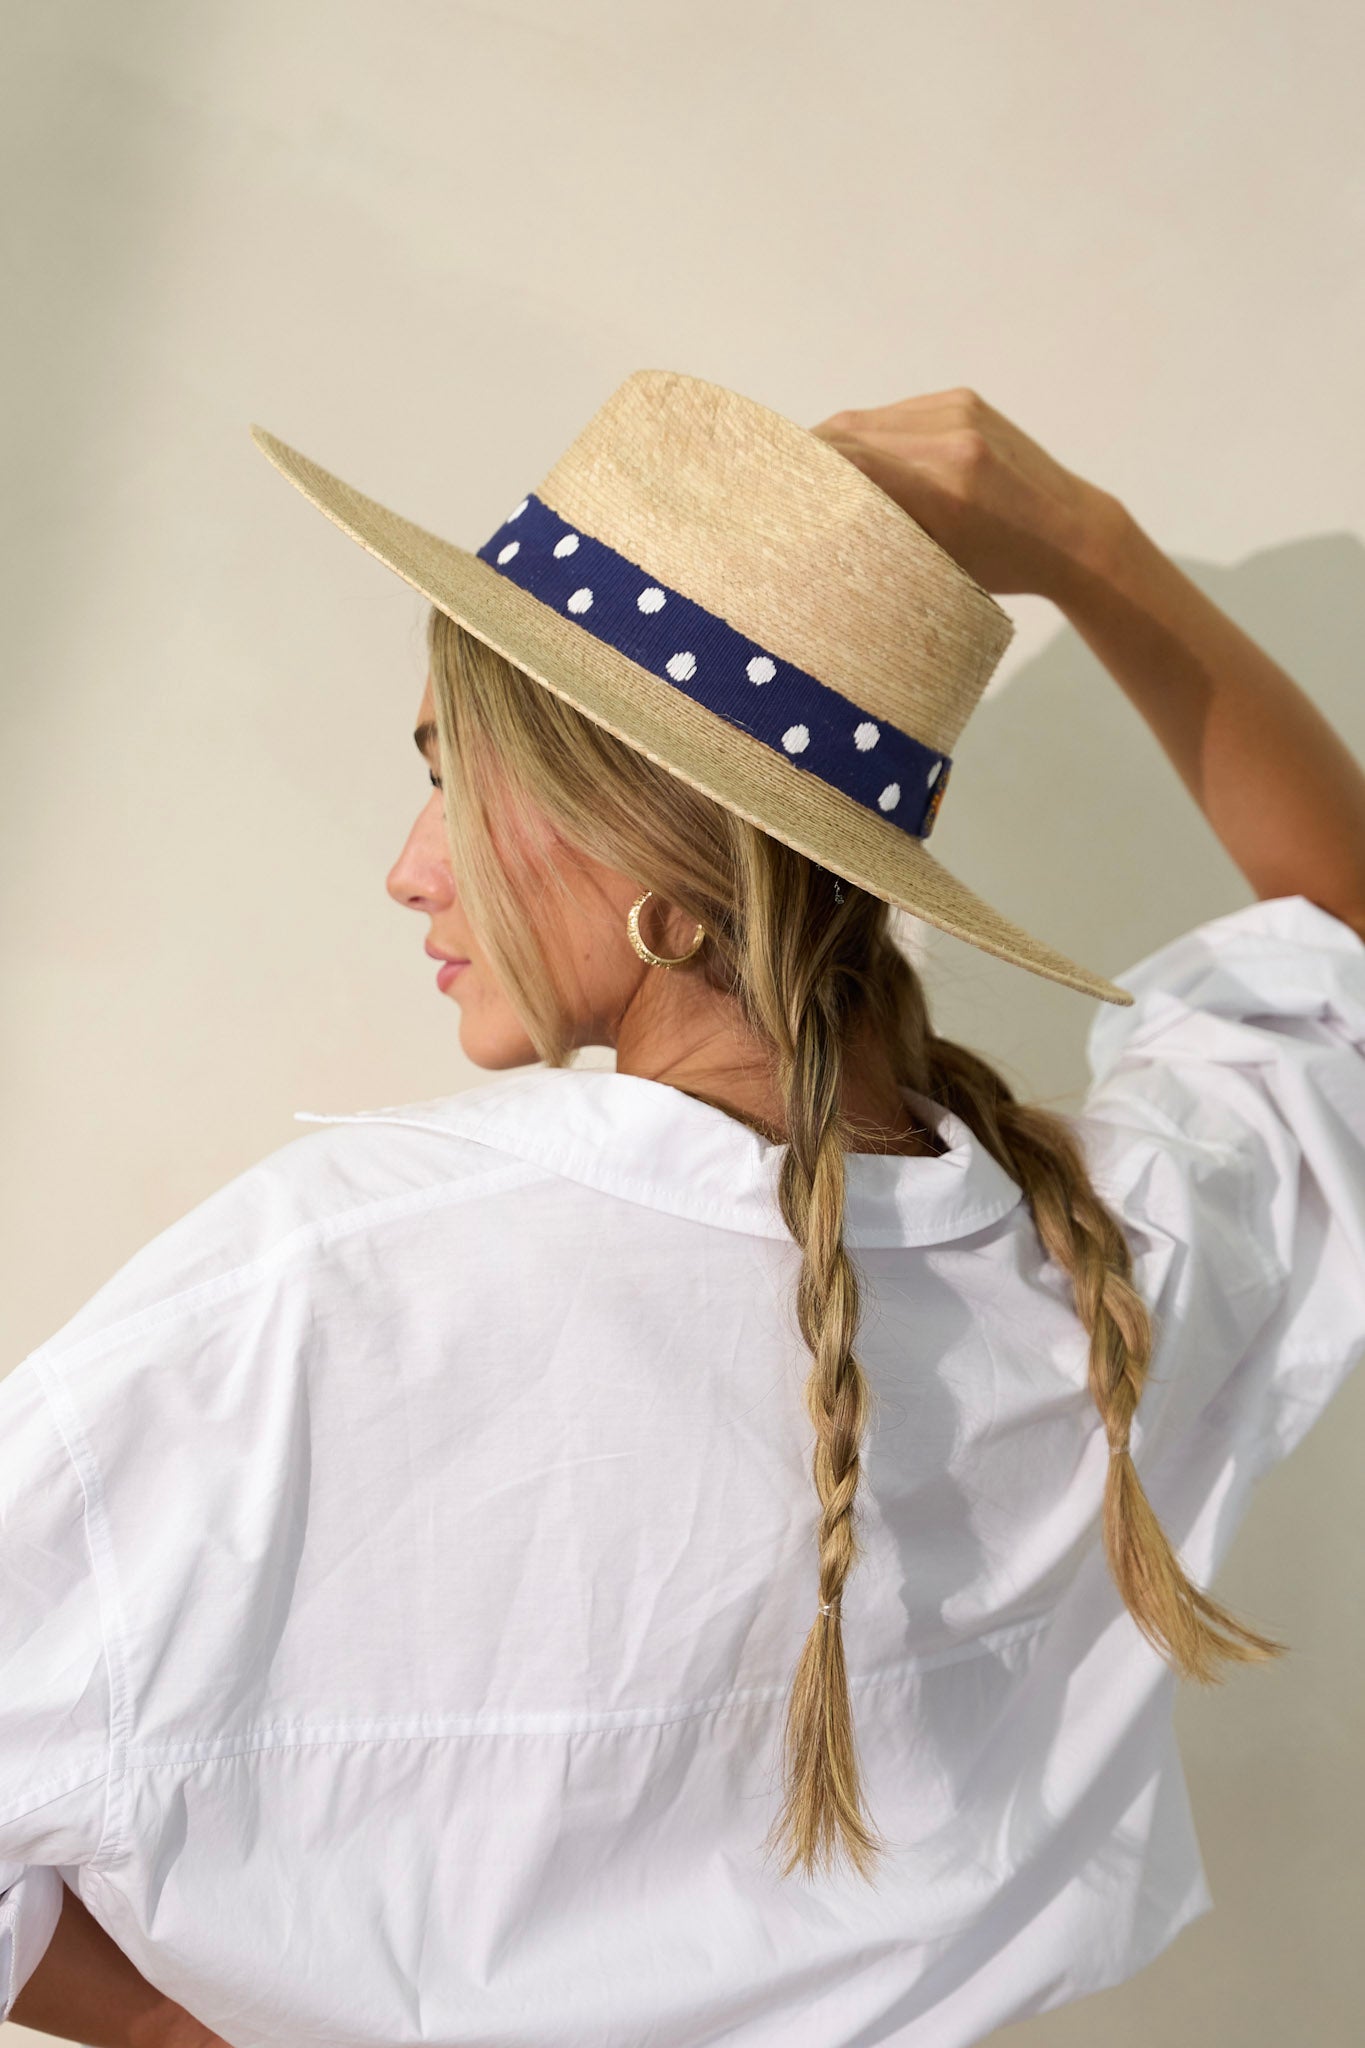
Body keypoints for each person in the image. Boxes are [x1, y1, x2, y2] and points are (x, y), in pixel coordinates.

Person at [4, 378, 1364, 2048]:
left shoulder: (325, 1281)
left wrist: (161, 2031)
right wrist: (1084, 546)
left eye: (454, 776)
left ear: (648, 838)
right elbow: (1340, 952)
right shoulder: (1103, 1262)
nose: (408, 868)